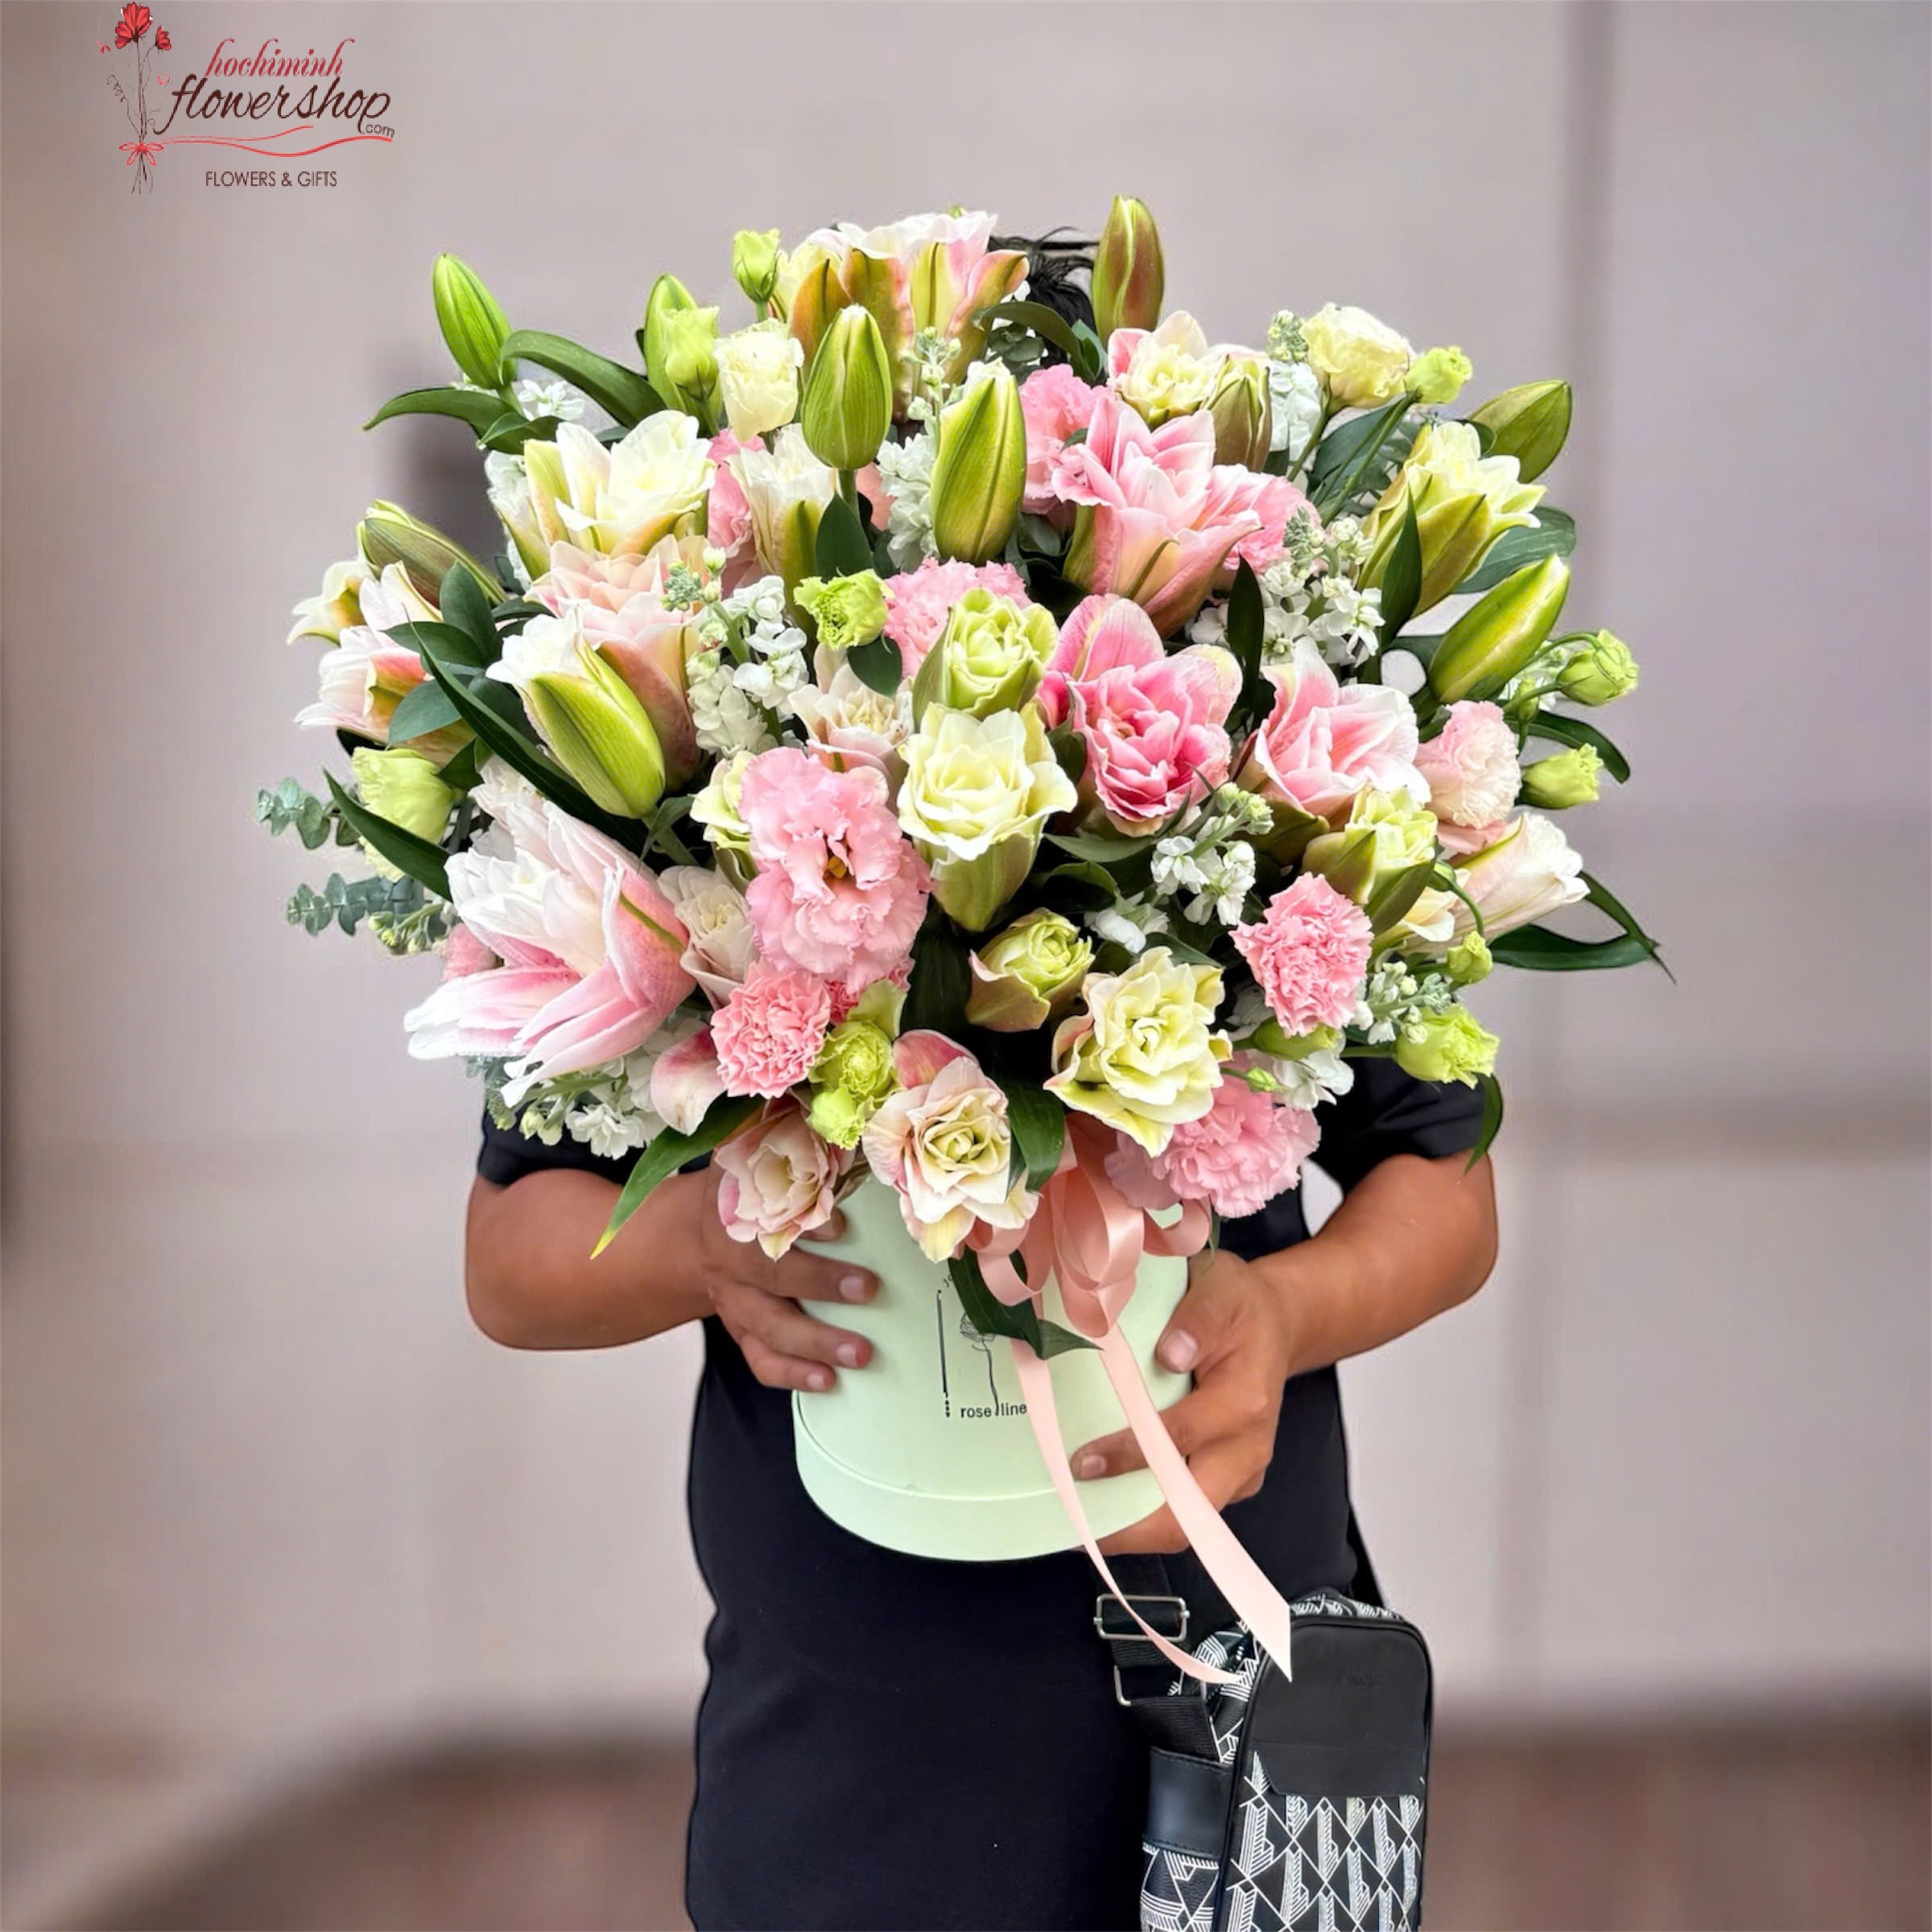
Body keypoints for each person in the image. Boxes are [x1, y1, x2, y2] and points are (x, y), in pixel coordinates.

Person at [464, 1057, 1496, 1931]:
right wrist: (703, 1240)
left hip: (1243, 1718)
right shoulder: (698, 835)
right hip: (851, 1734)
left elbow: (1449, 1171)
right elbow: (512, 1250)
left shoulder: (1305, 818)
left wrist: (1287, 1310)